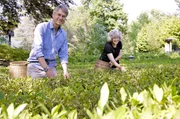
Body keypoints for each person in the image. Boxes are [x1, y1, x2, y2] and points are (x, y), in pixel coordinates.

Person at [27, 4, 70, 79]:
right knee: (39, 88)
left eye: (63, 16)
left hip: (51, 65)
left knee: (56, 88)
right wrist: (46, 69)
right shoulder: (41, 27)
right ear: (53, 14)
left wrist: (65, 71)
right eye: (59, 15)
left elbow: (63, 54)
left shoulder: (63, 34)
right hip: (36, 65)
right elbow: (38, 51)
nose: (60, 18)